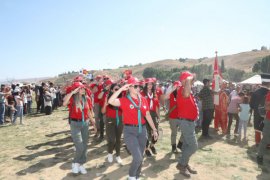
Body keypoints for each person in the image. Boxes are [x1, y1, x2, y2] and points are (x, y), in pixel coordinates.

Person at [108, 76, 158, 180]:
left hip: (142, 130)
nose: (138, 88)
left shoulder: (143, 100)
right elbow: (111, 101)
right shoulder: (124, 100)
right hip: (130, 131)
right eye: (135, 86)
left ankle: (137, 176)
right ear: (129, 87)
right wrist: (122, 88)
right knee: (138, 157)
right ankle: (131, 176)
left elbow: (148, 115)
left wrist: (154, 129)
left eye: (139, 86)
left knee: (141, 156)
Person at [63, 82, 96, 174]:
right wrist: (72, 92)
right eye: (80, 88)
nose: (83, 90)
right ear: (76, 90)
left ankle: (81, 164)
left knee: (85, 146)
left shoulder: (87, 98)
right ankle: (75, 163)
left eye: (84, 88)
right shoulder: (72, 99)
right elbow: (64, 103)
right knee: (80, 146)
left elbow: (89, 112)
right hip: (75, 124)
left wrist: (93, 122)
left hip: (85, 123)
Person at [176, 71, 198, 178]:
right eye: (190, 80)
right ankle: (182, 164)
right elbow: (186, 93)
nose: (192, 82)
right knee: (193, 146)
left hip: (189, 122)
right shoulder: (182, 90)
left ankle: (185, 164)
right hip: (186, 122)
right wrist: (189, 80)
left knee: (186, 145)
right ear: (184, 80)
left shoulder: (186, 89)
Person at [101, 83, 123, 164]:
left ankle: (118, 155)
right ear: (111, 90)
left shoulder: (122, 98)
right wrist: (105, 104)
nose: (117, 91)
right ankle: (110, 153)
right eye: (115, 89)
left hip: (120, 120)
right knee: (111, 140)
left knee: (118, 139)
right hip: (110, 120)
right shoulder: (107, 98)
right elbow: (103, 111)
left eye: (118, 89)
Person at [141, 78, 160, 157]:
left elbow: (156, 106)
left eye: (151, 84)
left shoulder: (155, 94)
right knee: (146, 133)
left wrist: (158, 116)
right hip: (145, 114)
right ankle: (146, 149)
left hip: (153, 114)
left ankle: (152, 145)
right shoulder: (142, 94)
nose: (150, 85)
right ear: (145, 85)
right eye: (148, 84)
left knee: (157, 133)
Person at [250, 73, 270, 146]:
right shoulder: (269, 92)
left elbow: (251, 105)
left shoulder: (255, 92)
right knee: (267, 129)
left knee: (257, 128)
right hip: (267, 114)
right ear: (268, 83)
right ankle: (267, 144)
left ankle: (257, 142)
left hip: (257, 114)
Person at [162, 81, 181, 153]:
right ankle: (174, 146)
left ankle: (180, 145)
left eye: (179, 86)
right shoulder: (172, 94)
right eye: (177, 86)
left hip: (181, 117)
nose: (178, 88)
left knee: (184, 132)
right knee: (174, 132)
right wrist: (172, 90)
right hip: (173, 117)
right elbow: (164, 98)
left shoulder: (182, 94)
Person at [257, 84, 270, 165]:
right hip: (269, 120)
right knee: (265, 138)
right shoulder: (269, 94)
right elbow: (266, 107)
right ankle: (260, 156)